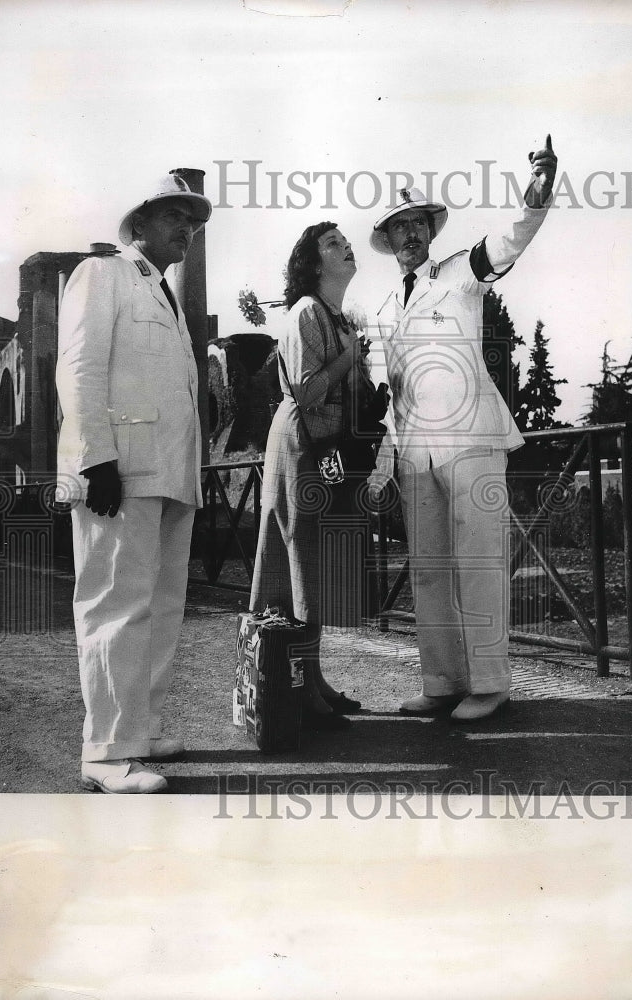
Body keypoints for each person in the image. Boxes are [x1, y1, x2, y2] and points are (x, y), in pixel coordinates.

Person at [368, 136, 558, 721]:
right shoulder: (382, 311)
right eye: (400, 227)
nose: (410, 234)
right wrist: (381, 467)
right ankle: (441, 682)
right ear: (390, 241)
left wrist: (537, 196)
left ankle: (491, 683)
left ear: (431, 229)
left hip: (472, 440)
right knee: (427, 569)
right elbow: (387, 398)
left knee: (478, 561)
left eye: (419, 222)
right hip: (414, 454)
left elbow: (509, 241)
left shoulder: (459, 274)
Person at [56, 172, 212, 792]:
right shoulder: (103, 274)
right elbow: (81, 364)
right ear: (138, 224)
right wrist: (95, 458)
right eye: (175, 215)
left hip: (169, 471)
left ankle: (140, 727)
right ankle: (106, 752)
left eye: (193, 222)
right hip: (118, 470)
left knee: (160, 605)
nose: (186, 230)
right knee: (115, 603)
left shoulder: (164, 292)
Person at [249, 222, 385, 731]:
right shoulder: (307, 311)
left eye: (345, 241)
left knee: (317, 562)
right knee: (303, 554)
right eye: (332, 242)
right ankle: (302, 687)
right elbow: (305, 390)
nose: (345, 245)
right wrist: (351, 358)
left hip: (329, 448)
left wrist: (361, 370)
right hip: (304, 445)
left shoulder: (340, 319)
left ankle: (313, 678)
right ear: (311, 263)